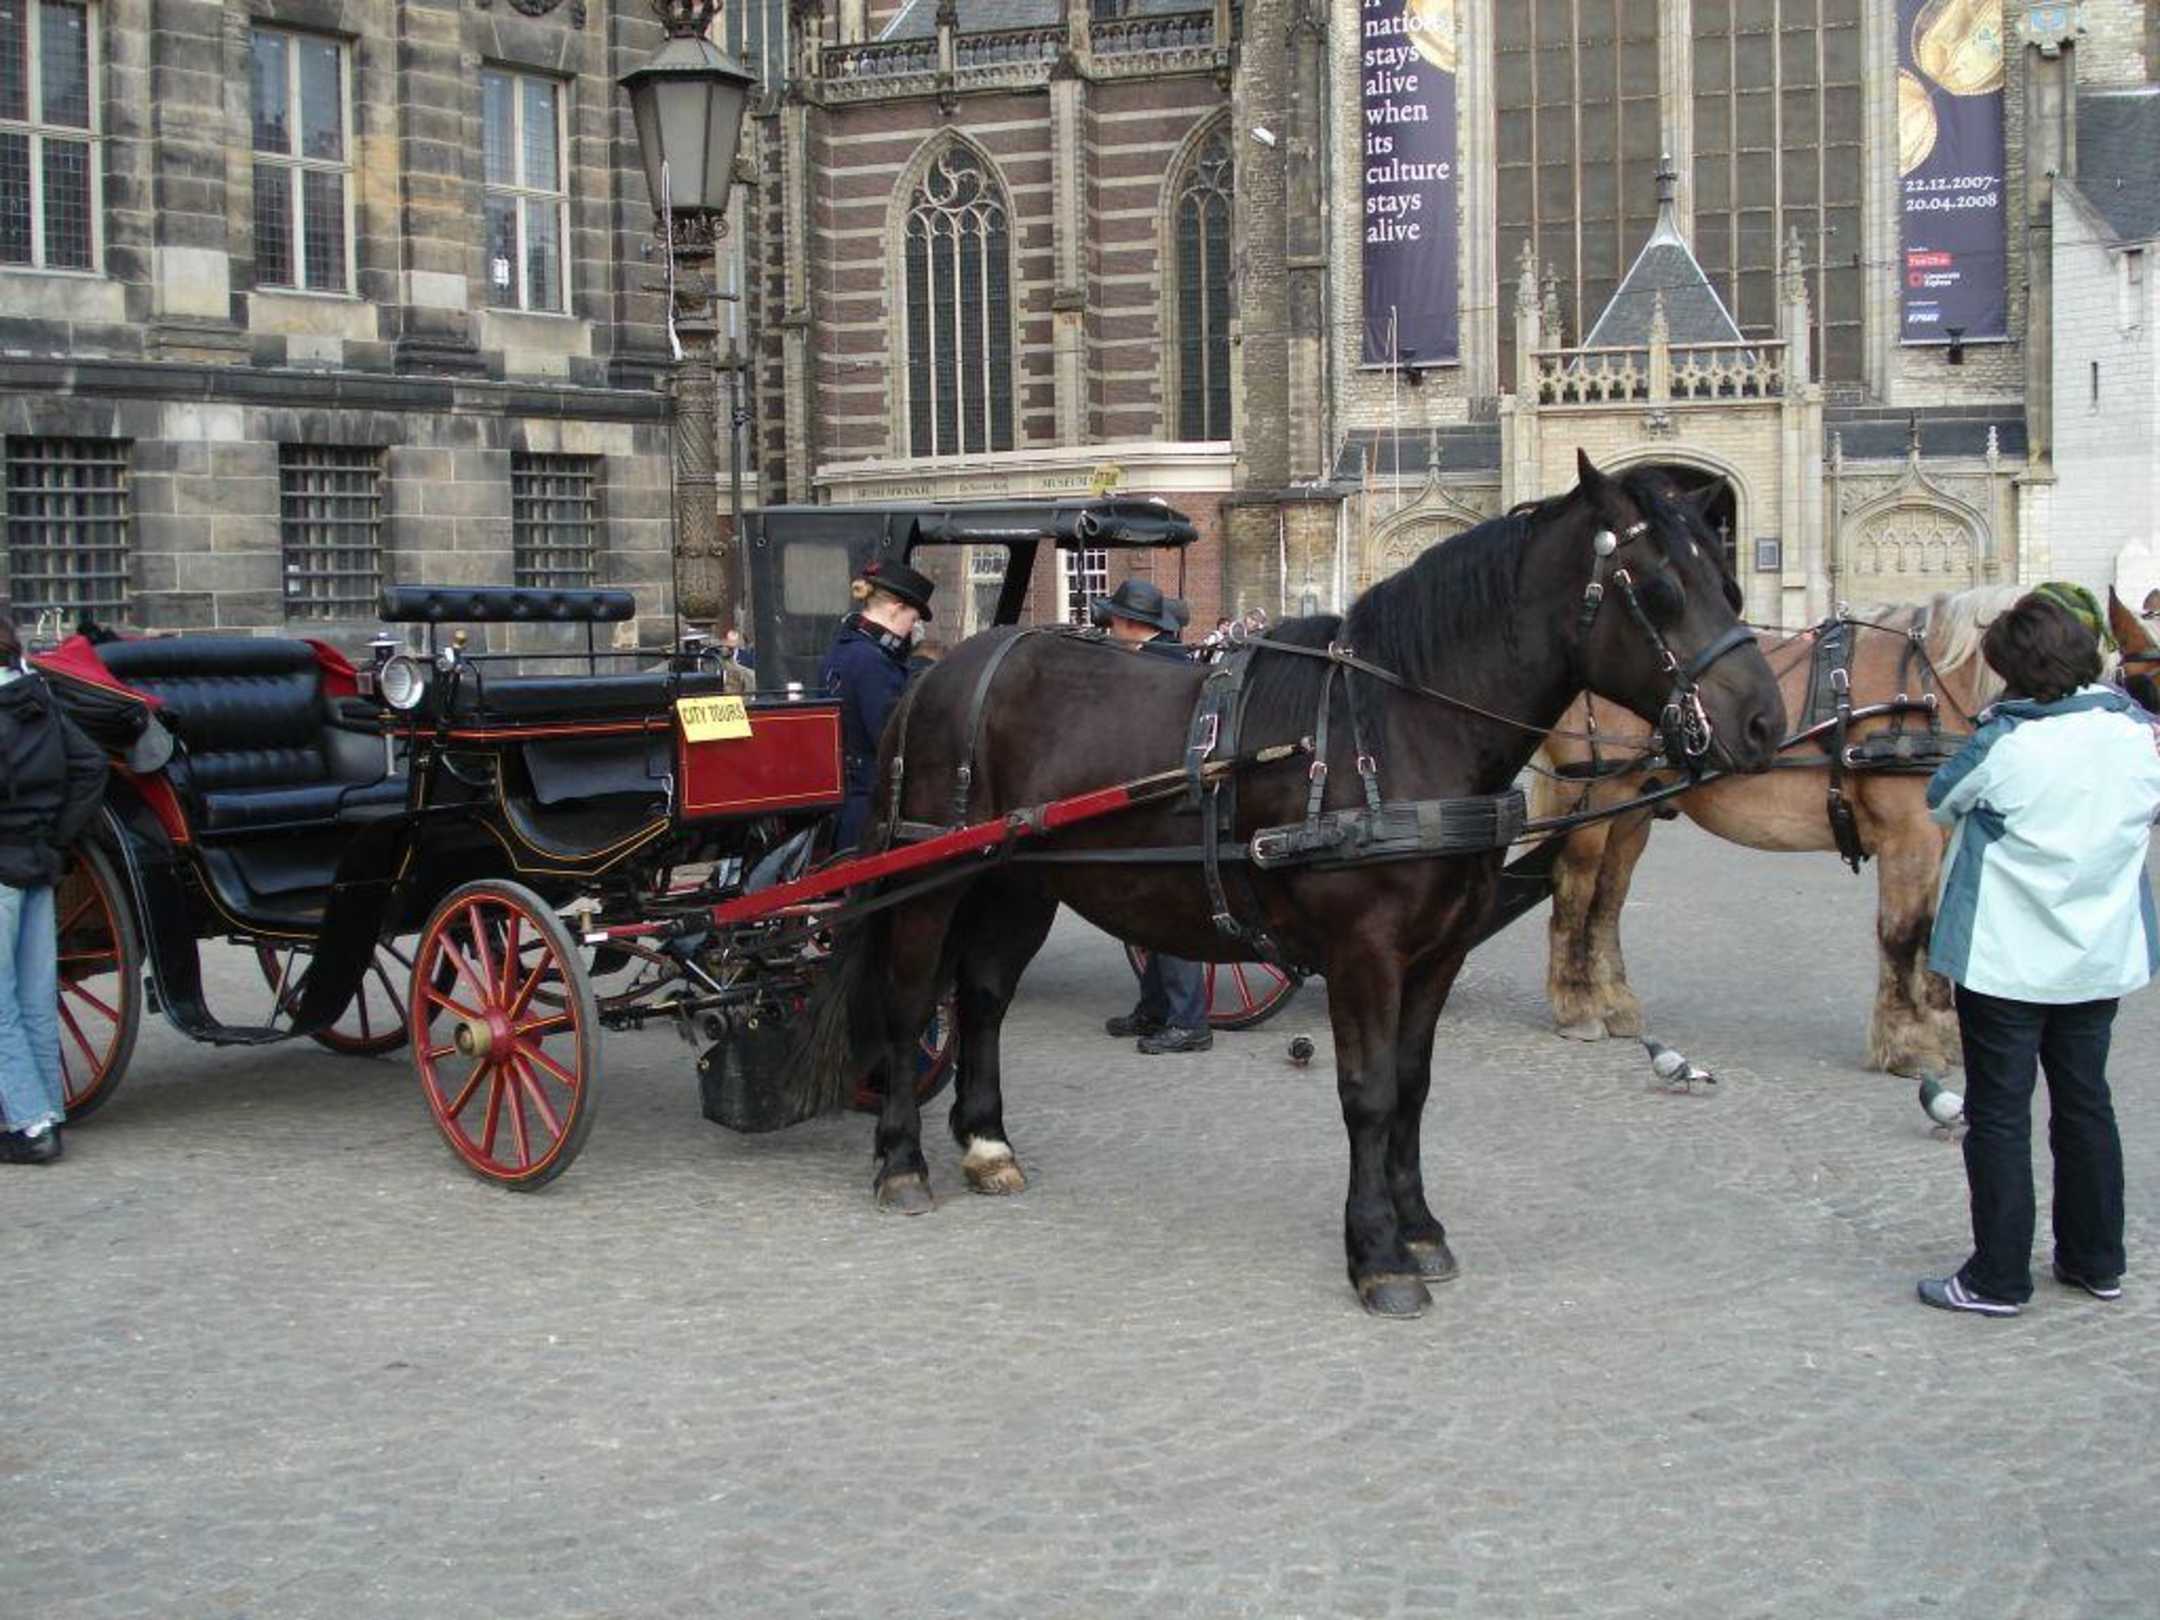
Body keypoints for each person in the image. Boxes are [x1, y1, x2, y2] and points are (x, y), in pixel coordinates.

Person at [1916, 590, 2160, 1315]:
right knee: (2086, 1104)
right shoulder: (2136, 735)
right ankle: (2094, 1259)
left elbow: (1941, 798)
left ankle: (1997, 1277)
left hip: (2007, 959)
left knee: (1998, 1114)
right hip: (2097, 953)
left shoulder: (2006, 742)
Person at [0, 614, 108, 1164]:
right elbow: (89, 764)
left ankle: (31, 1125)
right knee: (35, 997)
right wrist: (57, 835)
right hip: (39, 860)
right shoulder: (36, 697)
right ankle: (47, 1110)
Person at [1091, 578, 1213, 1056]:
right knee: (1151, 913)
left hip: (1169, 804)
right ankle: (1155, 1008)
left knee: (1171, 911)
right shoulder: (1166, 657)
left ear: (1126, 622)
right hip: (1161, 799)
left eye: (1112, 621)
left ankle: (1189, 1022)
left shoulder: (1156, 666)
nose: (1109, 629)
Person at [819, 557, 936, 850]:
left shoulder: (843, 649)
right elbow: (890, 738)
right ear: (896, 607)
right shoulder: (873, 663)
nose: (911, 629)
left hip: (846, 804)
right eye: (913, 620)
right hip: (869, 810)